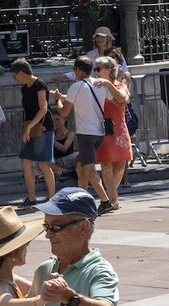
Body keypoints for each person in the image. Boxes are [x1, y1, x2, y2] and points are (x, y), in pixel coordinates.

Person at [50, 56, 113, 215]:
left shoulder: (76, 86)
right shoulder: (100, 84)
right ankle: (79, 201)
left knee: (89, 169)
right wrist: (62, 97)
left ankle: (105, 201)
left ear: (77, 70)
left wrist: (57, 100)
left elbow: (63, 112)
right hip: (99, 132)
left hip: (86, 133)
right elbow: (82, 99)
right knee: (82, 167)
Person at [11, 58, 56, 207]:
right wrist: (26, 129)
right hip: (31, 127)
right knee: (25, 161)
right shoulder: (24, 88)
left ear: (21, 73)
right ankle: (31, 198)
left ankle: (51, 198)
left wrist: (30, 127)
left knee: (43, 164)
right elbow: (27, 112)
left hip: (43, 126)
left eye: (14, 75)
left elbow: (43, 108)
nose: (14, 78)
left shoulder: (39, 84)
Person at [93, 57, 130, 213]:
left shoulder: (119, 85)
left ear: (109, 70)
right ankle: (113, 200)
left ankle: (109, 197)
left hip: (119, 127)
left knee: (120, 164)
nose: (95, 72)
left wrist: (108, 84)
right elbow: (121, 101)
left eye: (98, 69)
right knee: (106, 164)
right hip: (103, 127)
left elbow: (122, 99)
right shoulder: (95, 87)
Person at [56, 27, 127, 84]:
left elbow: (123, 73)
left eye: (103, 37)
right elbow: (82, 71)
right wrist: (64, 76)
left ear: (108, 38)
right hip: (95, 89)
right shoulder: (90, 55)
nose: (100, 39)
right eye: (97, 36)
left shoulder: (116, 54)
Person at [50, 111, 77, 177]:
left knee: (81, 157)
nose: (55, 122)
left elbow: (64, 149)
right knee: (42, 164)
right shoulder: (52, 134)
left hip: (71, 160)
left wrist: (53, 142)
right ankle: (67, 171)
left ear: (64, 119)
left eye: (58, 119)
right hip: (58, 162)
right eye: (54, 120)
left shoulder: (70, 133)